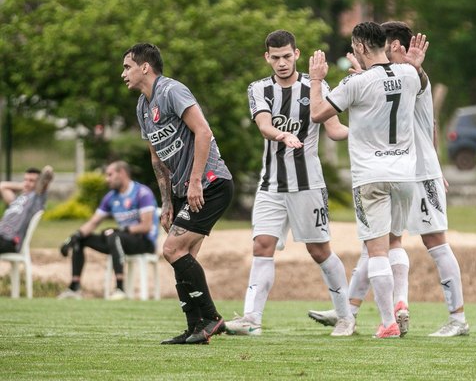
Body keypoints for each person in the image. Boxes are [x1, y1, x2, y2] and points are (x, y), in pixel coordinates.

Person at [307, 22, 470, 337]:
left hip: (415, 172)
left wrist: (436, 167)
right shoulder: (407, 76)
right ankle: (356, 309)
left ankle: (454, 318)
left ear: (396, 46)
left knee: (424, 244)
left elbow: (428, 122)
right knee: (382, 244)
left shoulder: (410, 76)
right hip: (407, 172)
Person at [224, 30, 355, 338]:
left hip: (308, 184)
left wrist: (367, 133)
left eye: (286, 56)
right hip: (270, 184)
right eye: (275, 57)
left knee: (319, 250)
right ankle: (251, 318)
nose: (281, 63)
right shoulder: (259, 89)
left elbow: (334, 130)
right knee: (262, 245)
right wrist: (282, 135)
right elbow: (264, 125)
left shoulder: (315, 87)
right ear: (266, 57)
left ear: (296, 54)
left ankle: (346, 316)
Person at [309, 21, 422, 338]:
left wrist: (317, 80)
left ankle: (387, 322)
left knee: (376, 251)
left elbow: (318, 113)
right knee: (396, 241)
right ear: (385, 44)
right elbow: (407, 86)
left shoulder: (354, 83)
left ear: (359, 47)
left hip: (371, 175)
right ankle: (401, 301)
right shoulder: (409, 75)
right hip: (404, 173)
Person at [121, 43, 234, 345]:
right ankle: (196, 328)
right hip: (184, 190)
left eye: (127, 66)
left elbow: (204, 132)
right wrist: (167, 202)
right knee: (183, 256)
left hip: (211, 183)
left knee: (171, 249)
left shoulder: (171, 91)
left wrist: (196, 181)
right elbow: (157, 159)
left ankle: (211, 317)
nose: (124, 74)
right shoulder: (142, 107)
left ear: (145, 67)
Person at [58, 161, 159, 301]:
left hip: (144, 242)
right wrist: (74, 236)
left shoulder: (142, 193)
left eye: (110, 175)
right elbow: (93, 222)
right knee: (81, 239)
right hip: (119, 241)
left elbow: (146, 226)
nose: (107, 179)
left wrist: (120, 230)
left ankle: (120, 288)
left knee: (113, 235)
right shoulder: (111, 197)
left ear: (122, 173)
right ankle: (74, 287)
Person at [0, 166, 54, 254]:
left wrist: (39, 183)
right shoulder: (17, 200)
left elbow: (48, 171)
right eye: (25, 179)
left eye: (31, 180)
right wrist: (22, 185)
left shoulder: (37, 198)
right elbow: (2, 186)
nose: (27, 183)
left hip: (10, 240)